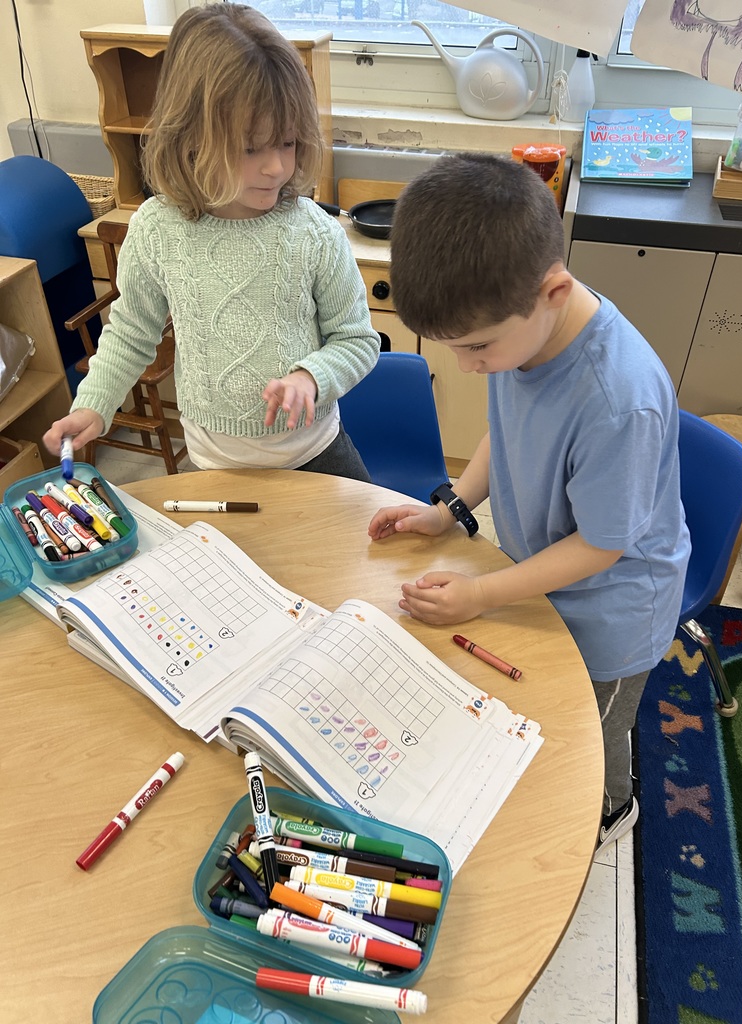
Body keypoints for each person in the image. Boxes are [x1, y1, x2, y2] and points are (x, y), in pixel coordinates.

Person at [367, 152, 691, 848]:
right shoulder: (522, 327)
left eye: (478, 348)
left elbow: (604, 545)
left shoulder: (617, 399)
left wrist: (483, 595)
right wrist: (450, 508)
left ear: (553, 290)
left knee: (592, 737)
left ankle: (610, 809)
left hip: (612, 610)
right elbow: (503, 430)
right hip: (542, 578)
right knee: (536, 711)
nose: (468, 366)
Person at [43, 4, 379, 479]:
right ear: (191, 138)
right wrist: (95, 406)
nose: (277, 168)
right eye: (249, 148)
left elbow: (357, 340)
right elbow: (130, 334)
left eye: (287, 142)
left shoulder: (315, 233)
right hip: (211, 461)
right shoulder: (156, 230)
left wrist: (312, 376)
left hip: (317, 453)